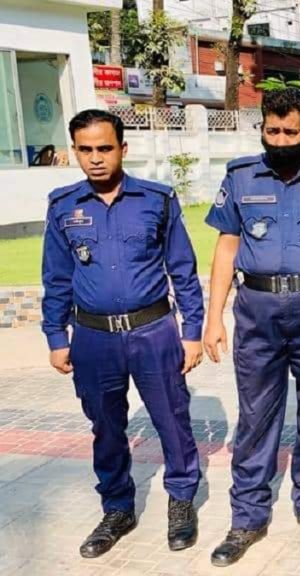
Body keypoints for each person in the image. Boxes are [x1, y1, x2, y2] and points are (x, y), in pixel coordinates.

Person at [203, 88, 300, 566]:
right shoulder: (240, 177)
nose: (281, 139)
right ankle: (248, 516)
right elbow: (227, 247)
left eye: (291, 131)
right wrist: (213, 317)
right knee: (256, 415)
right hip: (258, 311)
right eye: (273, 131)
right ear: (262, 129)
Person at [41, 109, 204, 558]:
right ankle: (117, 508)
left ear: (123, 149)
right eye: (85, 149)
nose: (95, 158)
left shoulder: (157, 199)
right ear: (75, 151)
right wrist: (56, 337)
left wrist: (192, 331)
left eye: (104, 148)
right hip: (93, 339)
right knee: (106, 426)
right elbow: (56, 277)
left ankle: (181, 501)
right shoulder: (63, 206)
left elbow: (183, 271)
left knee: (172, 419)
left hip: (153, 332)